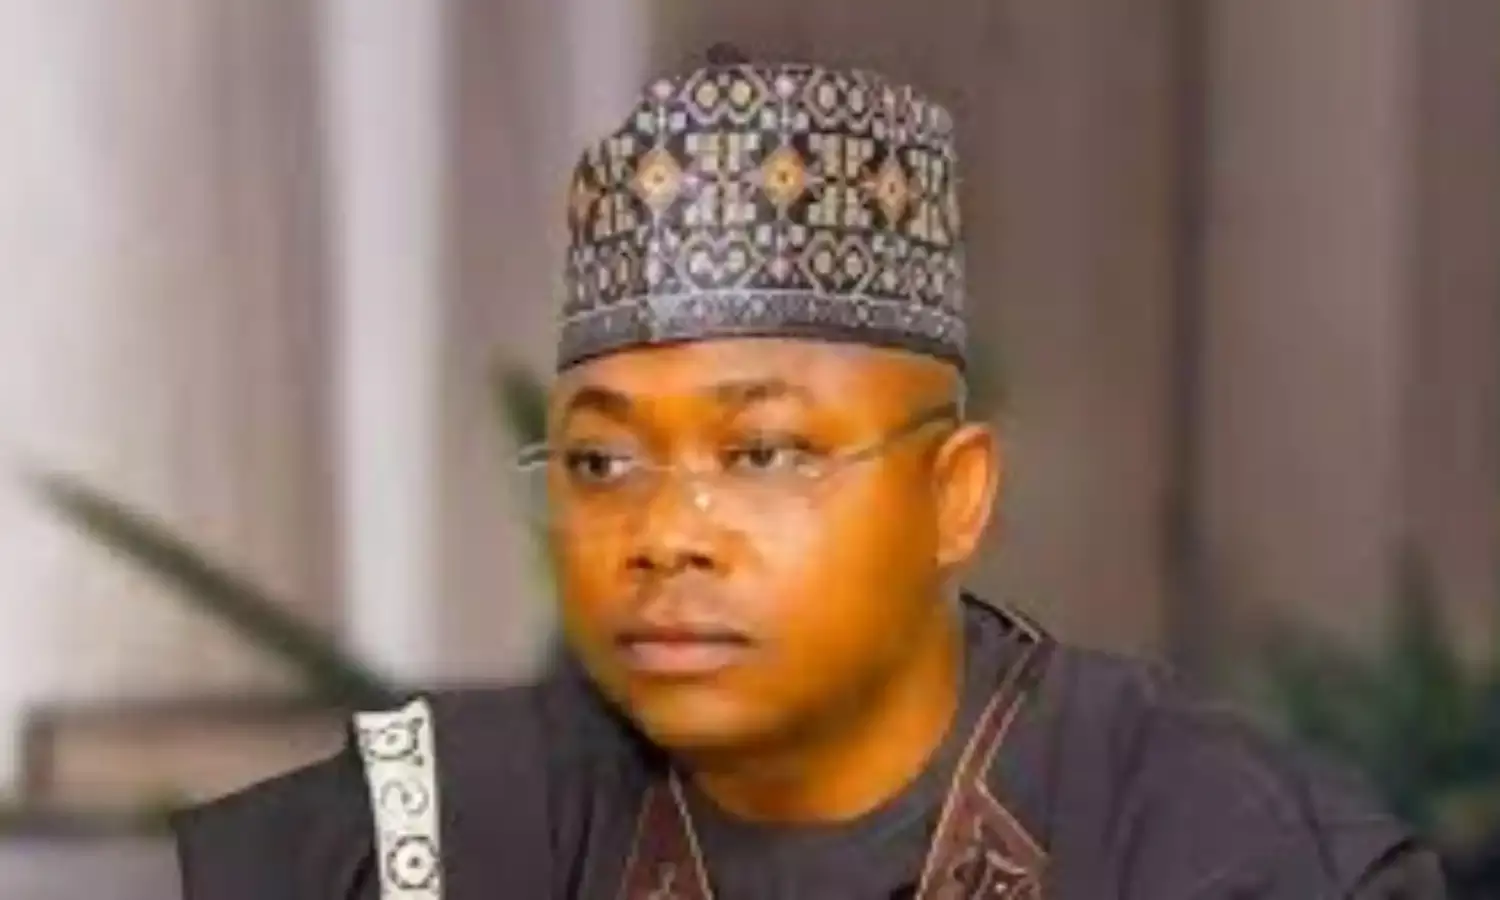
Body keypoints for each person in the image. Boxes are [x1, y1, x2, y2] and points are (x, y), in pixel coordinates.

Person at [172, 55, 1448, 899]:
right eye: (603, 460)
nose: (664, 533)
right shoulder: (449, 829)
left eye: (763, 454)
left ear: (955, 496)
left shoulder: (1216, 847)